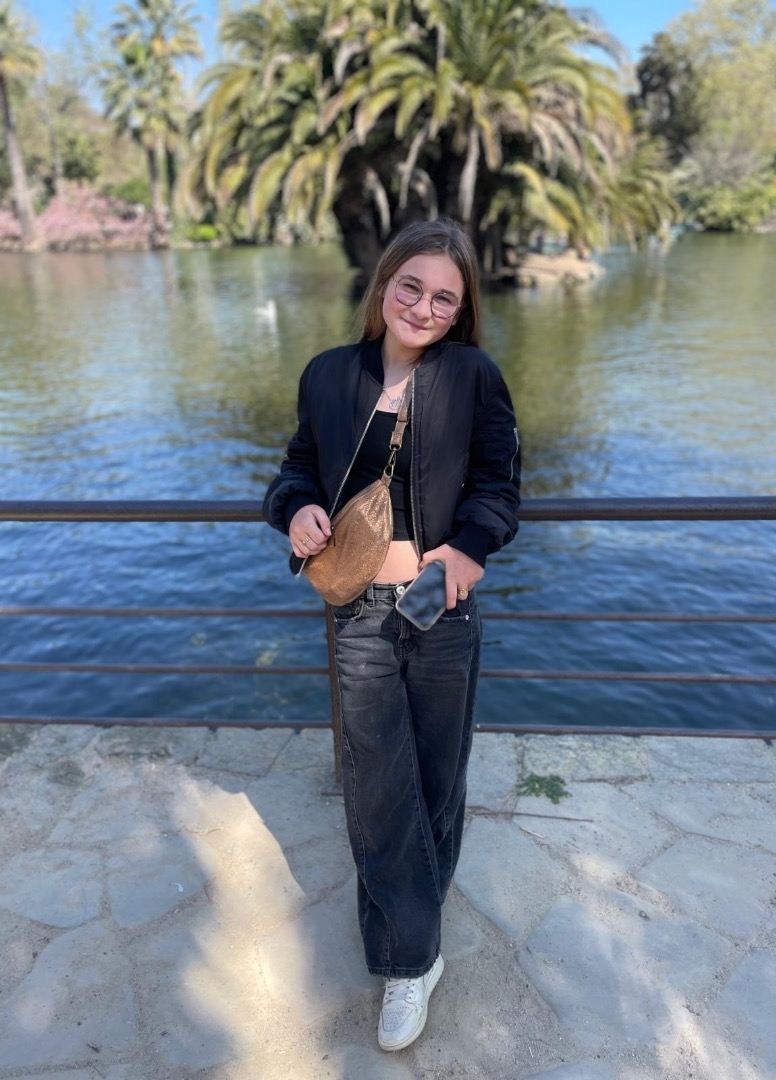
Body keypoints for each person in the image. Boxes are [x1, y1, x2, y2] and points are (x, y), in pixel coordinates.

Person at [262, 218, 521, 1052]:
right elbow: (296, 470)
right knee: (377, 784)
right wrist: (296, 509)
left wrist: (470, 548)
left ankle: (412, 930)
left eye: (445, 297)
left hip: (439, 604)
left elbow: (500, 485)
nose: (424, 307)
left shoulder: (473, 376)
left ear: (461, 309)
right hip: (360, 610)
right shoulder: (329, 374)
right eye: (412, 286)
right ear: (384, 284)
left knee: (436, 778)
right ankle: (411, 959)